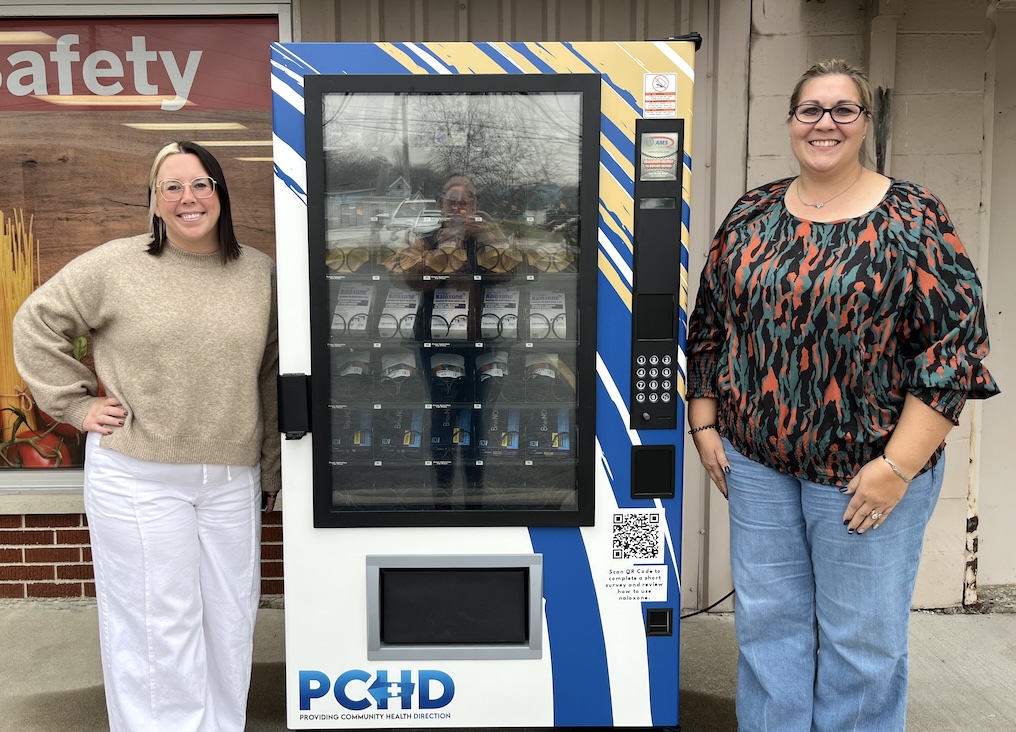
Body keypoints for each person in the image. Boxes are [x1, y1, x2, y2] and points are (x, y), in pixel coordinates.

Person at [686, 60, 999, 731]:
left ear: (865, 123)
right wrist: (705, 424)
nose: (825, 123)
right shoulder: (753, 212)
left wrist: (896, 469)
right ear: (792, 120)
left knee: (861, 645)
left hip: (866, 471)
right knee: (769, 631)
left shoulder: (913, 217)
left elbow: (954, 352)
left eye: (843, 110)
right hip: (759, 464)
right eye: (811, 110)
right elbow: (710, 319)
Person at [13, 141, 280, 731]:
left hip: (230, 477)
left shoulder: (260, 272)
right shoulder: (116, 265)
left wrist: (269, 467)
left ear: (220, 192)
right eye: (173, 186)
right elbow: (34, 323)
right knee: (159, 623)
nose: (189, 198)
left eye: (201, 183)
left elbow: (270, 376)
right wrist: (76, 406)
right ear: (155, 201)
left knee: (230, 618)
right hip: (139, 474)